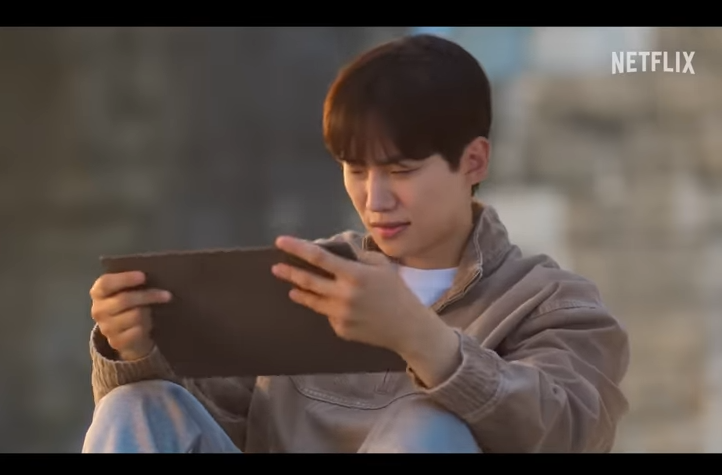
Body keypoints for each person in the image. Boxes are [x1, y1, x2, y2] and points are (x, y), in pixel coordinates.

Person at [82, 33, 630, 453]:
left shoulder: (549, 302)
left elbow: (570, 435)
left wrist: (419, 337)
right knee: (138, 405)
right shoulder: (304, 277)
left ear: (474, 161)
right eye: (356, 169)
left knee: (428, 424)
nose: (375, 198)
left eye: (401, 171)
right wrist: (135, 352)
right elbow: (207, 424)